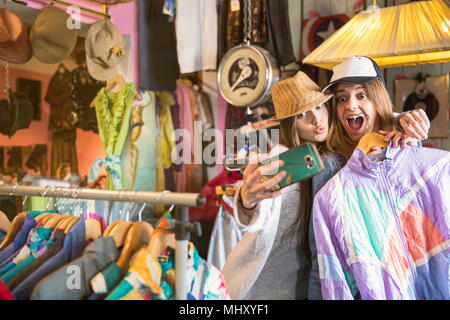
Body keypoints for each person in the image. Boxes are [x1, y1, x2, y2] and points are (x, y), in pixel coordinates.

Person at [221, 67, 429, 300]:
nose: (316, 120)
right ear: (290, 125)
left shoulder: (338, 156)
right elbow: (260, 208)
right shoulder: (287, 160)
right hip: (268, 287)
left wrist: (400, 120)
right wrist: (247, 201)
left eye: (319, 106)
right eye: (301, 115)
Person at [310, 56, 448, 300]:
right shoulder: (330, 172)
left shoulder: (411, 148)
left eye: (361, 95)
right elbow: (323, 258)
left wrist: (407, 135)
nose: (350, 105)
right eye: (342, 98)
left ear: (378, 99)